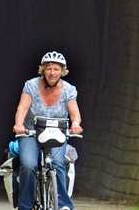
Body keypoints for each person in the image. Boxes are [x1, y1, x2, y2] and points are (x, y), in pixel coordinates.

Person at [13, 51, 83, 210]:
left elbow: (74, 112)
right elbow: (22, 108)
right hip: (31, 132)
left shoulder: (69, 89)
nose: (52, 72)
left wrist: (76, 123)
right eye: (49, 68)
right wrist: (19, 125)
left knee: (58, 163)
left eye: (56, 69)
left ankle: (64, 205)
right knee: (29, 165)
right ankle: (25, 206)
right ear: (43, 70)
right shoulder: (31, 85)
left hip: (57, 133)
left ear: (63, 71)